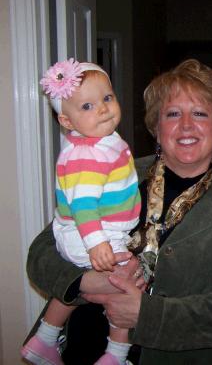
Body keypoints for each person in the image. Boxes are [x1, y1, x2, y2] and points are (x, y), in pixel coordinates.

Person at [24, 59, 212, 364]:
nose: (187, 125)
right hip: (82, 348)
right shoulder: (113, 171)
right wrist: (84, 282)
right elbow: (41, 253)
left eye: (201, 114)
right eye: (173, 113)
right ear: (157, 126)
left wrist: (147, 314)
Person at [22, 59, 141, 365]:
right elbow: (83, 205)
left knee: (81, 289)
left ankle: (45, 339)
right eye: (87, 106)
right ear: (67, 121)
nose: (102, 109)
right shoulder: (87, 154)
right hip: (89, 233)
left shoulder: (103, 142)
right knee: (122, 287)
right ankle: (115, 356)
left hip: (88, 231)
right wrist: (97, 244)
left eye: (107, 98)